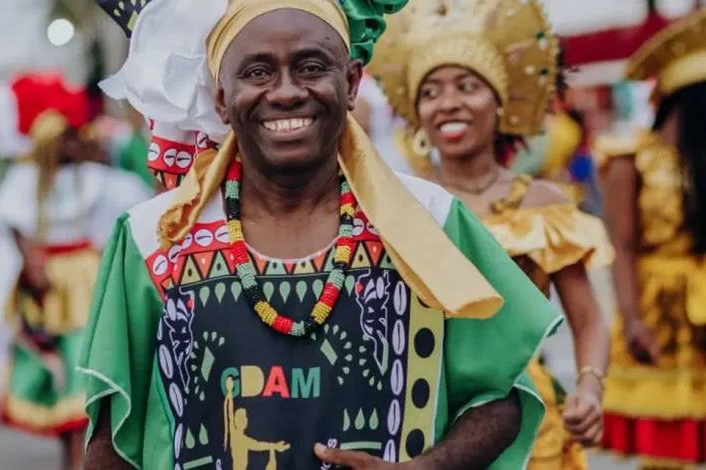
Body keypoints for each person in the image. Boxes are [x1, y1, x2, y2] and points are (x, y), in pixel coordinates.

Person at [81, 0, 564, 469]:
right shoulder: (152, 239)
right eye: (257, 72)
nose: (286, 91)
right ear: (222, 99)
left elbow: (500, 397)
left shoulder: (430, 221)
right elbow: (110, 446)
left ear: (351, 82)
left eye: (311, 67)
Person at [368, 1, 612, 468]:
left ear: (500, 100)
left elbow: (589, 320)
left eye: (467, 85)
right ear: (417, 113)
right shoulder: (401, 201)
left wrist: (589, 390)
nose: (449, 102)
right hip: (424, 416)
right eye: (431, 91)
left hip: (528, 417)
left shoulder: (541, 202)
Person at [0, 100, 151, 469]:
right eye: (61, 140)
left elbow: (127, 213)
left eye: (73, 138)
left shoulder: (99, 178)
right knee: (58, 377)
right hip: (46, 289)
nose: (70, 145)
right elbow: (7, 221)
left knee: (83, 368)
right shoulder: (23, 182)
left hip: (86, 283)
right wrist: (29, 261)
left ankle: (81, 460)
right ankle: (71, 459)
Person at [597, 9, 706, 469]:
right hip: (658, 309)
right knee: (668, 446)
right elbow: (622, 245)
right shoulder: (631, 158)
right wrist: (632, 317)